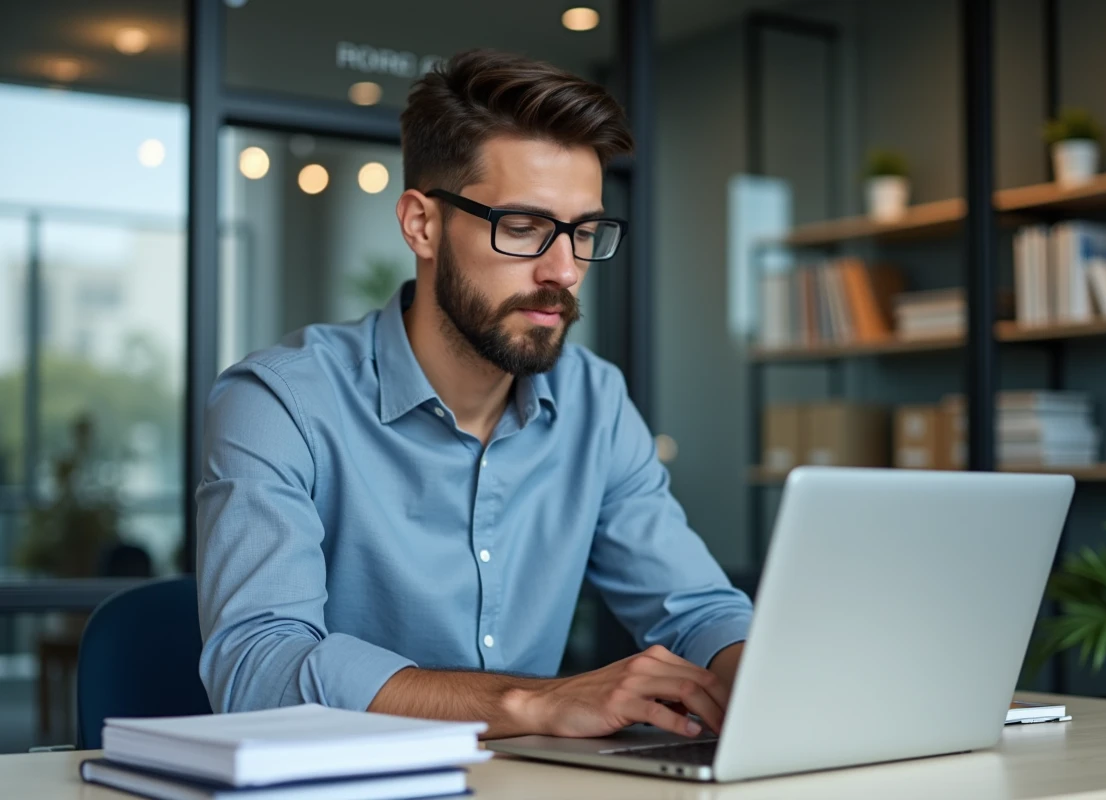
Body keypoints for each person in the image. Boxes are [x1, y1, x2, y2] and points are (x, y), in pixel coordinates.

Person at [196, 49, 753, 741]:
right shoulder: (279, 402)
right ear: (421, 225)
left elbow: (697, 611)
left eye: (585, 232)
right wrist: (527, 703)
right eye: (523, 228)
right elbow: (258, 669)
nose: (565, 270)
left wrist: (758, 672)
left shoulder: (595, 402)